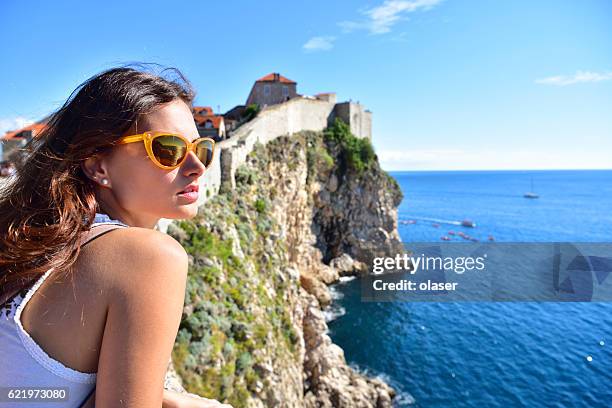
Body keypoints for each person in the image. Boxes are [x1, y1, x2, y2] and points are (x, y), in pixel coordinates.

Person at [0, 64, 233, 407]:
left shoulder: (40, 246)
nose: (197, 166)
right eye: (169, 149)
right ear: (98, 166)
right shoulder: (150, 257)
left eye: (201, 149)